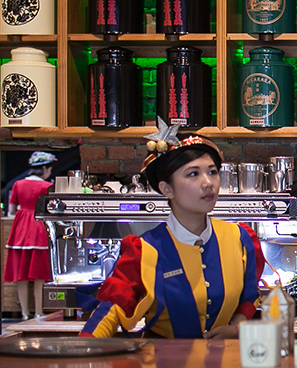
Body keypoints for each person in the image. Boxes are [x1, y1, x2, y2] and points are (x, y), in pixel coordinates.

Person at [80, 122, 264, 339]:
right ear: (167, 189)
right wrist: (84, 353)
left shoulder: (239, 238)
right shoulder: (145, 250)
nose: (208, 183)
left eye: (212, 172)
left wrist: (237, 328)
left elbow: (249, 295)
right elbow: (111, 309)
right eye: (193, 174)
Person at [2, 151, 57, 320]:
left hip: (19, 231)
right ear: (44, 168)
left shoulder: (18, 184)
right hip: (38, 229)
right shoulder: (46, 187)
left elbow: (11, 211)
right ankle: (39, 311)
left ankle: (25, 313)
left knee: (21, 275)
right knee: (39, 275)